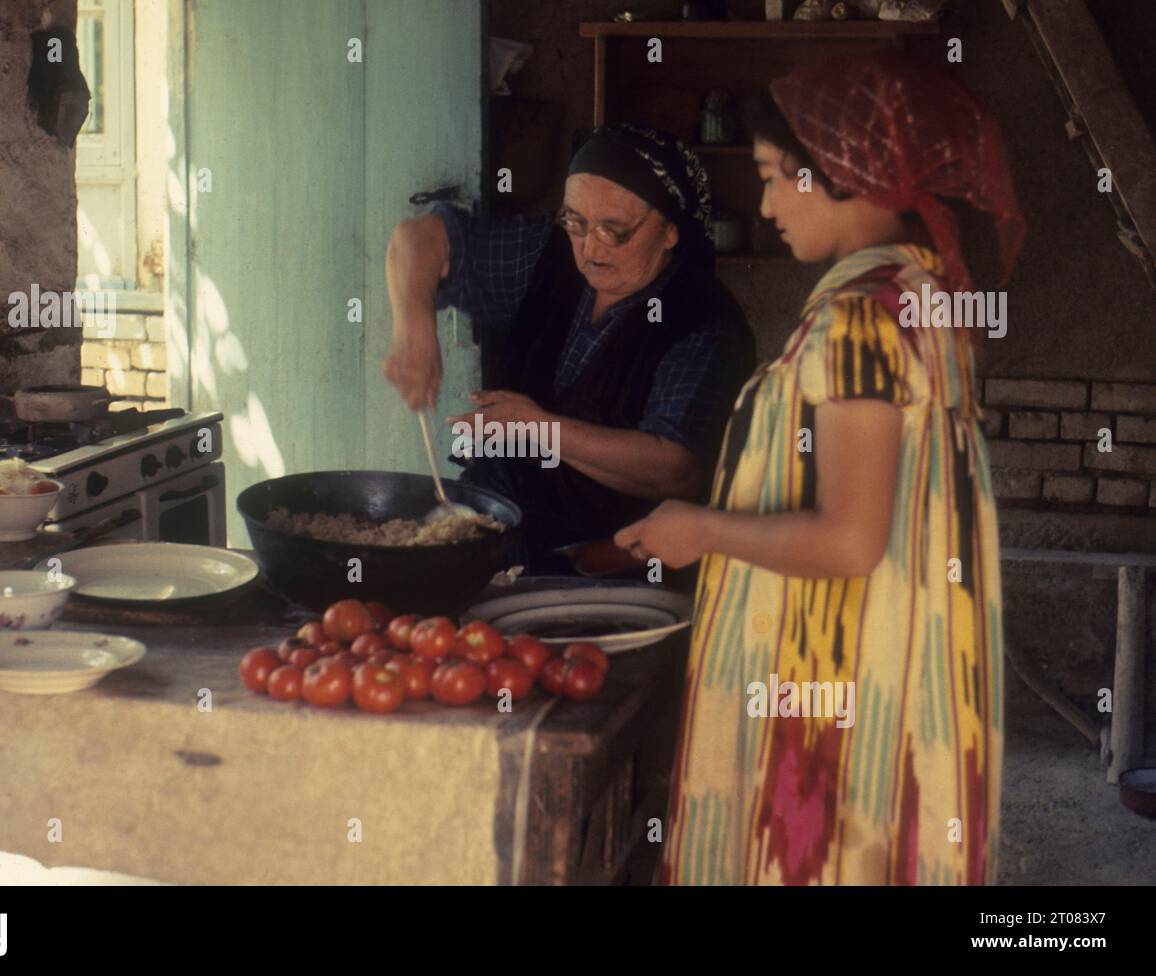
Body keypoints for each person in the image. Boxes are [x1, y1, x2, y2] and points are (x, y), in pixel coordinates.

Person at [614, 51, 1026, 884]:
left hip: (841, 669)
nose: (763, 205)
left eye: (774, 178)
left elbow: (848, 541)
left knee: (822, 853)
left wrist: (696, 529)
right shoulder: (922, 293)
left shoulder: (857, 324)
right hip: (896, 655)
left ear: (838, 173)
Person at [383, 123, 755, 572]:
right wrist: (414, 329)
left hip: (621, 560)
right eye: (576, 222)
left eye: (614, 231)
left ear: (670, 231)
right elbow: (418, 238)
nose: (589, 247)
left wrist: (540, 430)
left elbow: (675, 468)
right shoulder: (549, 254)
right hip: (505, 525)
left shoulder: (704, 323)